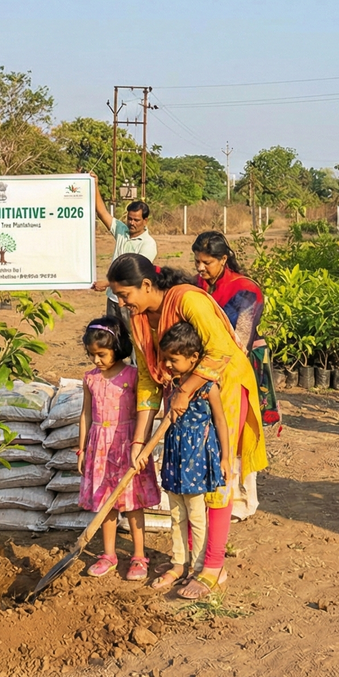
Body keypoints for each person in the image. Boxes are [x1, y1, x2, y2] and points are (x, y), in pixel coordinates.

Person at [107, 254, 267, 601]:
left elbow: (221, 350)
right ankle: (184, 563)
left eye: (124, 295)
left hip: (221, 389)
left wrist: (187, 388)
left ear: (146, 285)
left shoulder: (188, 300)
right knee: (185, 486)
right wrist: (139, 440)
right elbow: (150, 379)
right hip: (183, 399)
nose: (121, 303)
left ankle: (213, 567)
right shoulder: (137, 321)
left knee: (217, 478)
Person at [194, 231, 277, 518]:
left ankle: (239, 501)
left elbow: (240, 338)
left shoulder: (245, 290)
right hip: (206, 368)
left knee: (234, 433)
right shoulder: (200, 285)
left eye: (206, 262)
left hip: (234, 369)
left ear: (223, 259)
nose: (200, 268)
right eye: (197, 262)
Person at [147, 321, 230, 594]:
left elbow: (220, 422)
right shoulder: (173, 385)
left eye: (174, 359)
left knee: (196, 515)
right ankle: (178, 562)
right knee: (175, 514)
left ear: (194, 358)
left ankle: (198, 567)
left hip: (196, 459)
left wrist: (225, 458)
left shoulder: (208, 388)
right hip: (174, 455)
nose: (168, 364)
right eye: (165, 359)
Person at [78, 318, 159, 581]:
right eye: (92, 355)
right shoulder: (90, 379)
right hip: (100, 446)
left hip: (127, 444)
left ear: (118, 347)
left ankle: (138, 556)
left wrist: (142, 445)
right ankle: (109, 554)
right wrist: (82, 449)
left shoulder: (134, 375)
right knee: (106, 503)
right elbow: (86, 415)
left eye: (101, 354)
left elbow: (145, 410)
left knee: (133, 503)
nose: (96, 360)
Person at [91, 177, 157, 324]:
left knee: (132, 340)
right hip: (113, 297)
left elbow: (134, 273)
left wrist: (107, 283)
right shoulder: (121, 230)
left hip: (131, 301)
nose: (132, 223)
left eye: (136, 220)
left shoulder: (148, 244)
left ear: (145, 221)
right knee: (114, 338)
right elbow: (101, 211)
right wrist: (95, 185)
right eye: (130, 219)